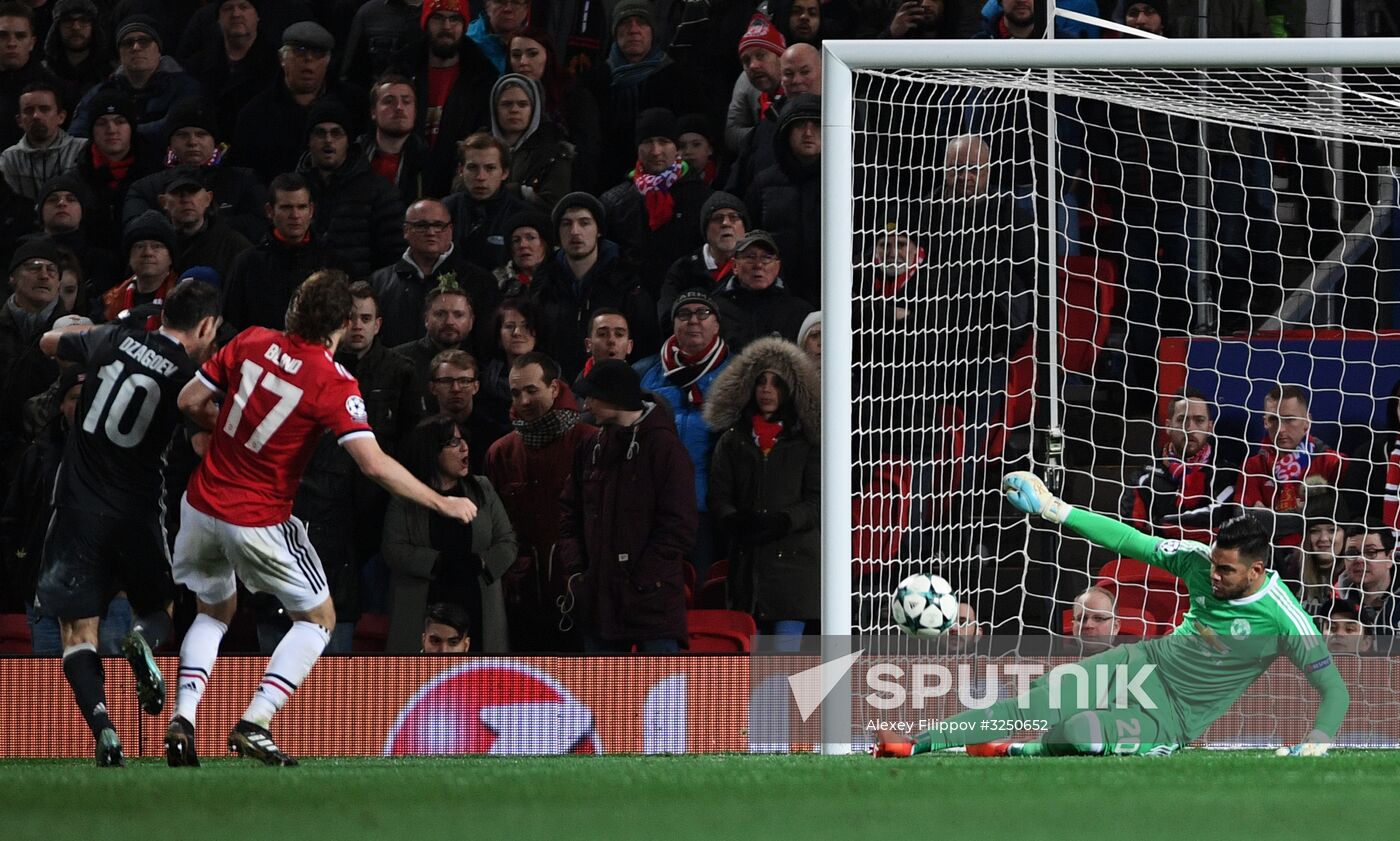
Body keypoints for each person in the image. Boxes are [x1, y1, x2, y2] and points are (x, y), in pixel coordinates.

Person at [164, 269, 478, 767]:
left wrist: (226, 430)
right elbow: (373, 464)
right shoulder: (332, 381)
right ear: (343, 322)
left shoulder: (250, 339)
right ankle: (255, 720)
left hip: (201, 505)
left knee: (212, 612)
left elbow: (188, 400)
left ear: (294, 307)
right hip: (259, 517)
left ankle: (184, 717)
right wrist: (444, 503)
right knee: (319, 619)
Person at [874, 472, 1350, 760]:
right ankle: (920, 743)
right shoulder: (1198, 559)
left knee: (1079, 733)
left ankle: (1016, 750)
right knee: (1040, 698)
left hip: (1173, 719)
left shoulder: (1285, 615)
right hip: (1143, 664)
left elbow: (1334, 690)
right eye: (1214, 564)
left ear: (1257, 570)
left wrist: (1319, 738)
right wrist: (1056, 510)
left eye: (1226, 570)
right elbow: (1127, 540)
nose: (1215, 575)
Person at [33, 278, 221, 767]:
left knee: (77, 631)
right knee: (158, 608)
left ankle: (105, 730)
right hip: (137, 512)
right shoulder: (187, 377)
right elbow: (209, 426)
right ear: (204, 325)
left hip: (76, 508)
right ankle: (142, 639)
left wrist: (112, 328)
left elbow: (49, 342)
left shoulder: (114, 339)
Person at [560, 359, 696, 652]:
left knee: (659, 697)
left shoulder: (665, 449)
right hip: (598, 604)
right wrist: (577, 572)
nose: (586, 404)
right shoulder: (590, 447)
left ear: (615, 398)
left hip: (652, 605)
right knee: (604, 698)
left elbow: (678, 526)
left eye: (593, 396)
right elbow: (569, 513)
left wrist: (640, 581)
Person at [705, 336, 820, 639]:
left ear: (791, 390)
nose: (767, 390)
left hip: (795, 569)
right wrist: (733, 519)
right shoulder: (732, 440)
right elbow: (718, 495)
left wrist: (783, 520)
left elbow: (817, 503)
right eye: (761, 382)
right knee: (753, 667)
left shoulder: (807, 442)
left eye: (777, 383)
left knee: (782, 661)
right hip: (747, 568)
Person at [485, 351, 596, 652]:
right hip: (521, 596)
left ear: (555, 388)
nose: (522, 401)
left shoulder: (591, 442)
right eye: (516, 392)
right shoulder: (501, 453)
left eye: (531, 390)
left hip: (581, 591)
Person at [383, 413, 517, 653]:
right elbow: (394, 549)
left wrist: (481, 562)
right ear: (431, 451)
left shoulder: (483, 488)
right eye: (453, 442)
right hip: (425, 602)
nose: (464, 446)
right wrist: (438, 562)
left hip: (476, 598)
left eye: (463, 439)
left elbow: (507, 542)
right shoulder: (406, 497)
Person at [640, 290, 732, 579]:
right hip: (656, 507)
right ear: (674, 324)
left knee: (705, 587)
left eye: (702, 313)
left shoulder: (739, 373)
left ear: (716, 324)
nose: (693, 320)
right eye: (684, 314)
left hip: (709, 507)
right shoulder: (646, 374)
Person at [530, 191, 656, 379]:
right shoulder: (544, 283)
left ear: (599, 230)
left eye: (584, 223)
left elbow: (647, 342)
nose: (575, 231)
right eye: (566, 223)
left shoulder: (626, 282)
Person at [386, 0, 498, 197]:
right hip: (402, 178)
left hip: (456, 185)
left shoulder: (483, 76)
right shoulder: (402, 68)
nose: (446, 27)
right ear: (426, 22)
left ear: (464, 25)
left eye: (454, 19)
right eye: (438, 18)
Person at [122, 96, 269, 244]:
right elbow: (136, 229)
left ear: (214, 142)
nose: (192, 142)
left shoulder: (244, 180)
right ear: (170, 143)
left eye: (201, 134)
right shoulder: (145, 188)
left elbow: (259, 225)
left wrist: (197, 225)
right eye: (182, 135)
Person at [228, 21, 362, 183]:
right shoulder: (255, 113)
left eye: (318, 53)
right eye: (300, 52)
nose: (309, 60)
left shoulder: (353, 103)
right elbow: (244, 176)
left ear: (328, 61)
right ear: (281, 58)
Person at [600, 107, 712, 297]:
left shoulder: (703, 199)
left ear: (676, 147)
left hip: (685, 301)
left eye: (664, 141)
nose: (656, 151)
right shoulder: (615, 201)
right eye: (647, 142)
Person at [297, 98, 405, 279]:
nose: (328, 140)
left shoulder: (380, 193)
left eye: (336, 133)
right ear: (309, 140)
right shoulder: (293, 189)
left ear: (348, 141)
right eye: (320, 133)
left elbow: (392, 261)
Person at [371, 197, 497, 350]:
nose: (431, 232)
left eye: (438, 225)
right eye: (422, 225)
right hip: (395, 371)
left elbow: (487, 343)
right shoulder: (379, 281)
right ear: (406, 230)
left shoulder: (480, 281)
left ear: (450, 230)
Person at [1121, 388, 1241, 544]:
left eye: (1199, 420)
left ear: (1210, 427)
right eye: (1182, 420)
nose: (1190, 428)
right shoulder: (1143, 478)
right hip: (1157, 563)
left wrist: (1157, 526)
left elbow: (1219, 524)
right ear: (1168, 426)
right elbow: (1132, 536)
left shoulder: (1228, 474)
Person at [221, 172, 337, 331]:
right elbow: (231, 324)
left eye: (301, 207)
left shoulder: (332, 260)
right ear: (270, 211)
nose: (295, 215)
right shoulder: (247, 264)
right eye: (286, 207)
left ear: (311, 210)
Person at [68, 15, 203, 143]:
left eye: (144, 41)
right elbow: (77, 134)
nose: (136, 47)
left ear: (158, 49)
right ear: (119, 53)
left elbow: (176, 126)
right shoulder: (102, 91)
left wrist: (116, 135)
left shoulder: (185, 88)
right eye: (128, 43)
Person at [1240, 384, 1345, 547]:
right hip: (1266, 557)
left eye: (1289, 419)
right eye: (1273, 419)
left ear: (1307, 421)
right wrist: (1303, 512)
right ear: (1265, 422)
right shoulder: (1253, 467)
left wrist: (1269, 516)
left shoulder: (1333, 463)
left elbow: (1338, 521)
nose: (1281, 429)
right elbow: (1245, 524)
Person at [745, 93, 821, 304]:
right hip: (776, 296)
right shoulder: (763, 183)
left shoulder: (850, 181)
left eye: (816, 125)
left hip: (837, 293)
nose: (808, 133)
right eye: (799, 126)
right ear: (786, 132)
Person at [183, 0, 279, 138]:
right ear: (218, 19)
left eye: (244, 7)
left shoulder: (277, 64)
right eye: (228, 8)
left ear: (257, 16)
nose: (236, 14)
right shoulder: (196, 65)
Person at [711, 229, 815, 352]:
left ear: (777, 266)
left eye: (766, 258)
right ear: (734, 266)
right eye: (750, 257)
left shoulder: (800, 312)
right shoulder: (715, 309)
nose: (758, 265)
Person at [442, 131, 527, 272]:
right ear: (461, 170)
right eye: (472, 167)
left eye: (490, 168)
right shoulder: (444, 210)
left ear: (505, 173)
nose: (481, 177)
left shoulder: (521, 216)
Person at [489, 72, 572, 212]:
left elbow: (555, 204)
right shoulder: (478, 147)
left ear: (533, 110)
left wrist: (519, 192)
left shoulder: (554, 151)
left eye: (522, 104)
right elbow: (459, 188)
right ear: (495, 109)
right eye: (506, 104)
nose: (514, 110)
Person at [424, 347, 508, 472]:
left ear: (476, 387)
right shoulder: (422, 436)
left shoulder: (496, 435)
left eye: (464, 381)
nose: (456, 388)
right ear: (432, 388)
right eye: (447, 381)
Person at [159, 166, 251, 280]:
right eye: (178, 193)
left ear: (208, 198)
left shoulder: (234, 246)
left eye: (193, 192)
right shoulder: (153, 244)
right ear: (163, 202)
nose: (186, 200)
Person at [0, 81, 84, 199]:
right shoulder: (9, 159)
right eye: (29, 110)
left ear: (61, 117)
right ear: (19, 121)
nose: (36, 116)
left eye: (44, 109)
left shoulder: (83, 150)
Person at [358, 74, 429, 206]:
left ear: (415, 112)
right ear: (373, 111)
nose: (399, 107)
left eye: (406, 101)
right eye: (389, 101)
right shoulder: (353, 157)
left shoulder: (430, 164)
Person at [101, 210, 177, 326]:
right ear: (129, 258)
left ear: (170, 257)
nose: (147, 252)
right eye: (139, 246)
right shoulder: (110, 302)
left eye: (156, 246)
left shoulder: (183, 299)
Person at [475, 295, 536, 430]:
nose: (517, 333)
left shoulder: (555, 376)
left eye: (525, 326)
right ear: (498, 336)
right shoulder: (484, 383)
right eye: (509, 326)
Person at [1334, 526, 1399, 635]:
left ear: (1390, 558)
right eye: (1352, 553)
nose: (1359, 559)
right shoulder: (1334, 601)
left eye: (1370, 552)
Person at [492, 209, 552, 297]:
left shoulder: (563, 277)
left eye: (531, 238)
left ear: (545, 244)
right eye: (516, 240)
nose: (522, 245)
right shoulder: (497, 281)